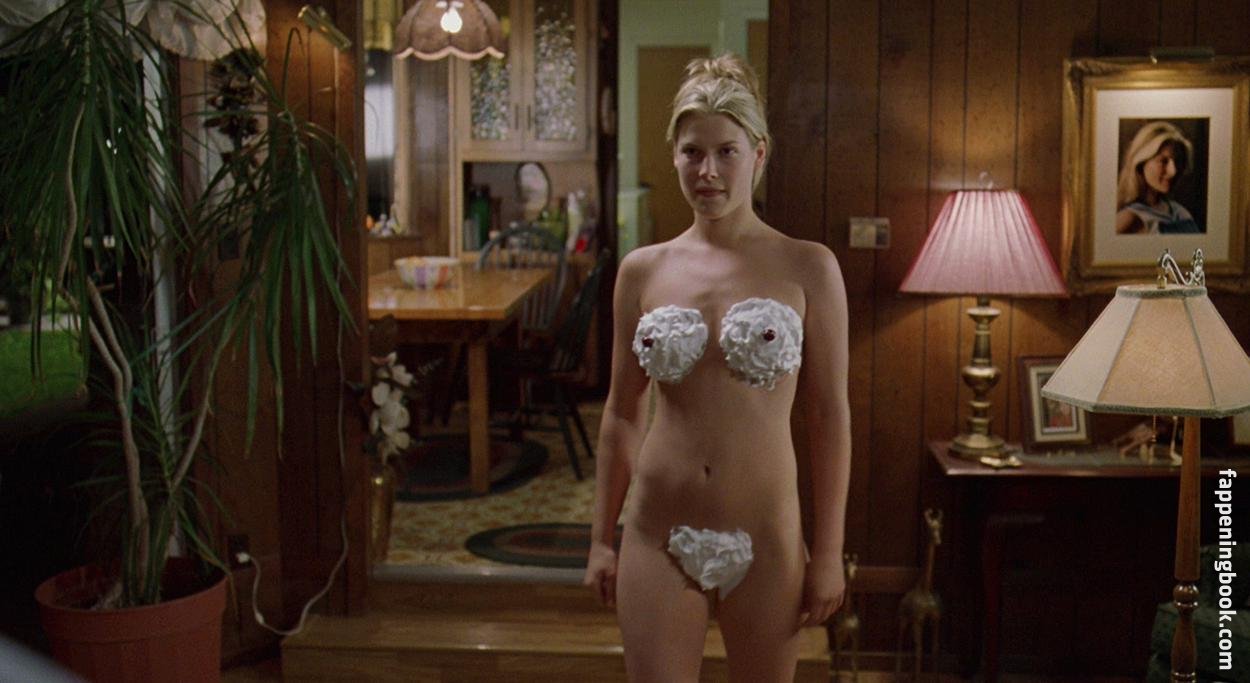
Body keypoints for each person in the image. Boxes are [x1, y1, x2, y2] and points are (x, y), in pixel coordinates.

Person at [583, 54, 852, 682]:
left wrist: (829, 551)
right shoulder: (641, 271)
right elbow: (622, 414)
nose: (707, 171)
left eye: (726, 152)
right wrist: (600, 537)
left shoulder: (808, 267)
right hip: (656, 533)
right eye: (692, 152)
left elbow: (828, 416)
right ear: (675, 156)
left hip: (768, 538)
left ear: (758, 153)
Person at [1115, 120, 1201, 234]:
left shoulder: (1179, 211)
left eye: (1178, 161)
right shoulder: (1129, 219)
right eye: (1163, 161)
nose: (1173, 171)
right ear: (1141, 163)